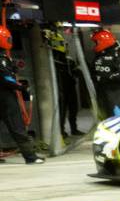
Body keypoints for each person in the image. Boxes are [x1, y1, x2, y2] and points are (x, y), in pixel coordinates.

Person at [0, 26, 43, 163]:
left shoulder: (4, 58)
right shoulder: (2, 59)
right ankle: (30, 157)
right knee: (17, 127)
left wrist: (12, 68)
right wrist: (21, 87)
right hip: (5, 97)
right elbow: (5, 79)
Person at [45, 29, 83, 137]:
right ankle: (61, 131)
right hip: (60, 89)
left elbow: (76, 73)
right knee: (61, 111)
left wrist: (77, 71)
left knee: (73, 109)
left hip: (70, 87)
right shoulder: (51, 60)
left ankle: (74, 129)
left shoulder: (69, 60)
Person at [90, 28, 120, 118]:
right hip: (101, 90)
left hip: (114, 90)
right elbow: (93, 71)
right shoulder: (98, 56)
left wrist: (106, 78)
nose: (95, 45)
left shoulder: (118, 55)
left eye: (97, 42)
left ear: (103, 40)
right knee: (103, 115)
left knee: (116, 116)